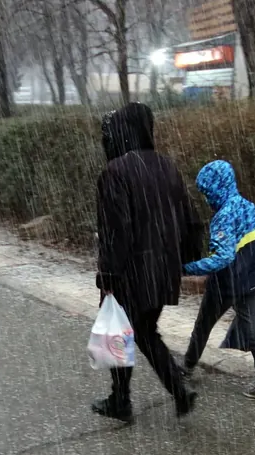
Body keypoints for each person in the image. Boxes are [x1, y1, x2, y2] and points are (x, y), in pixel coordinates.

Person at [92, 102, 204, 422]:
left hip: (130, 270)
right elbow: (190, 218)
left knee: (117, 331)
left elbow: (117, 229)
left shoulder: (115, 172)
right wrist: (185, 259)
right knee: (143, 331)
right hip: (163, 269)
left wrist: (109, 273)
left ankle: (121, 400)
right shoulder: (166, 166)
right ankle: (179, 393)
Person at [181, 159, 255, 401]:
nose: (206, 198)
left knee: (203, 324)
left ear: (215, 188)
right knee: (252, 327)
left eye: (206, 193)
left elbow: (222, 258)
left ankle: (187, 367)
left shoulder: (223, 217)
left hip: (226, 283)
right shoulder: (249, 207)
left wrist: (187, 268)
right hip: (250, 280)